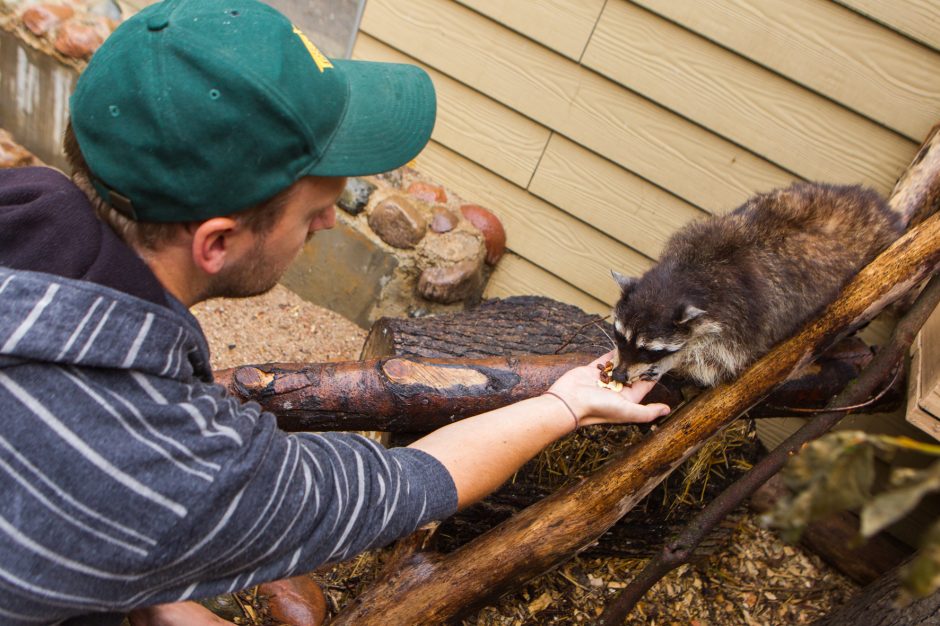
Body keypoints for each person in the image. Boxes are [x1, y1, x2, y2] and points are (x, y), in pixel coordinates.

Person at [0, 1, 670, 624]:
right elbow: (404, 484)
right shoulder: (176, 469)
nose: (327, 221)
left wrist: (151, 596)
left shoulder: (22, 206)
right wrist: (568, 404)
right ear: (218, 241)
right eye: (313, 209)